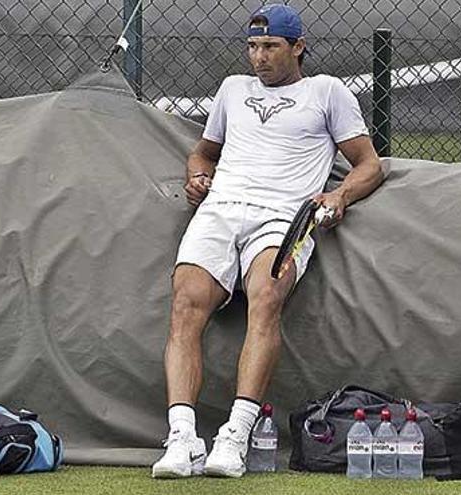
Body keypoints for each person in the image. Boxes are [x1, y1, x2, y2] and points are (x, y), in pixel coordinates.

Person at [151, 3, 384, 479]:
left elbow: (369, 165)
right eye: (253, 47)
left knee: (265, 295)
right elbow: (203, 153)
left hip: (284, 217)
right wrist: (197, 177)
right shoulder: (232, 90)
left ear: (298, 47)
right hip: (219, 212)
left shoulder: (327, 92)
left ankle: (235, 435)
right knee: (185, 302)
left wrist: (339, 195)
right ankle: (182, 438)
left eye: (271, 47)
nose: (259, 57)